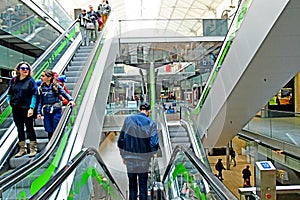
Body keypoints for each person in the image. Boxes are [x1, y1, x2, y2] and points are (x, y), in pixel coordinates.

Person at [117, 102, 159, 200]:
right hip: (144, 160)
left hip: (130, 159)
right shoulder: (151, 123)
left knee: (132, 186)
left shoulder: (128, 120)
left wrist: (124, 156)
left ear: (139, 109)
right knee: (143, 186)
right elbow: (154, 144)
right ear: (149, 111)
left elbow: (120, 141)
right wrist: (151, 155)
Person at [7, 61, 38, 157]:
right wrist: (9, 101)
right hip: (16, 108)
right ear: (18, 70)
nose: (25, 70)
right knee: (19, 129)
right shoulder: (14, 80)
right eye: (23, 68)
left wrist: (31, 108)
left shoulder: (30, 81)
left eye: (27, 69)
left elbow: (34, 94)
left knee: (29, 128)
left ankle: (33, 148)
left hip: (26, 108)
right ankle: (22, 149)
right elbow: (9, 92)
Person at [36, 70, 75, 140]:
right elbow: (40, 101)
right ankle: (50, 142)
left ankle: (57, 141)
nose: (41, 78)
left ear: (49, 77)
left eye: (43, 76)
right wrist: (38, 112)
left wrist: (70, 100)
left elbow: (64, 93)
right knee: (48, 127)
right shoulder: (42, 88)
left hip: (56, 110)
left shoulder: (56, 86)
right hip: (46, 111)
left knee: (56, 125)